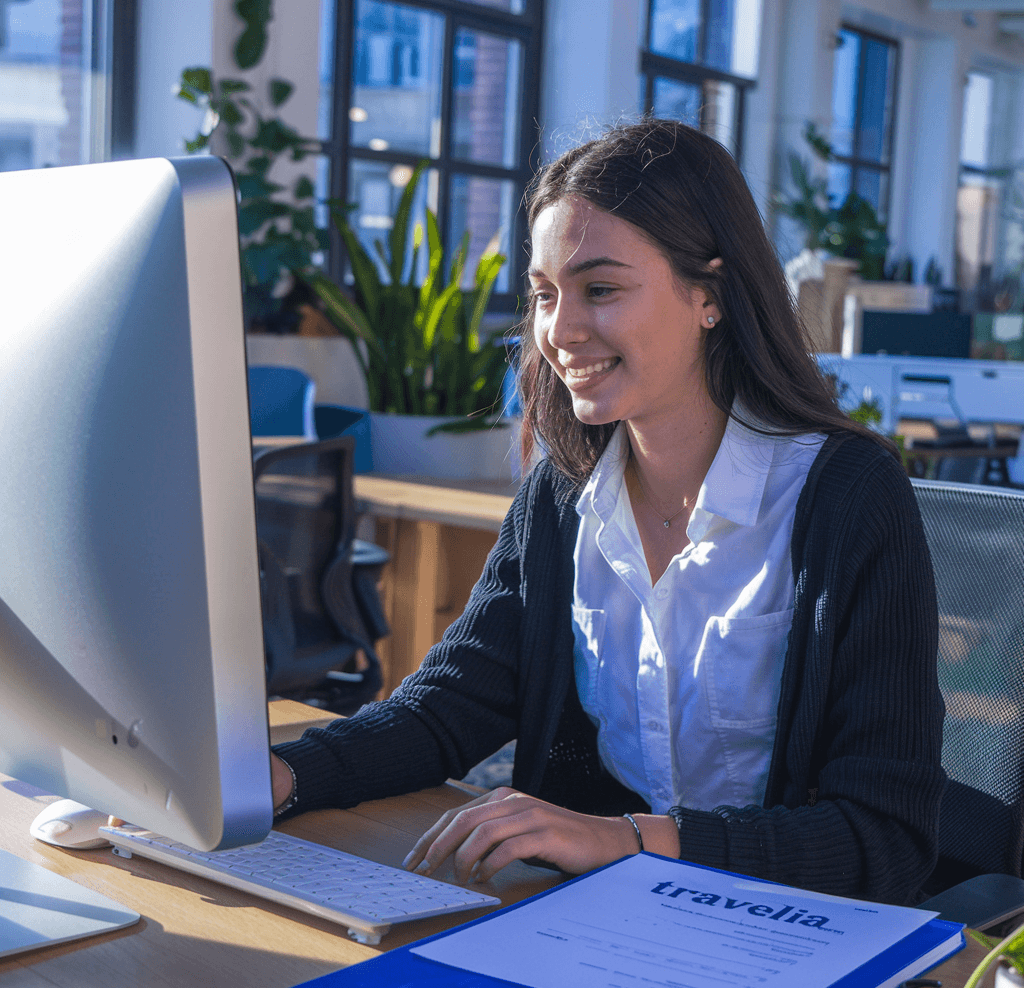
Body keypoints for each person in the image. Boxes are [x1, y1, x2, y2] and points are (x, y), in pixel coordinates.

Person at [270, 119, 944, 905]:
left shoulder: (846, 499)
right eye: (545, 295)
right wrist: (283, 774)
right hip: (601, 920)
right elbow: (450, 708)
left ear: (710, 296)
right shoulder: (564, 491)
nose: (558, 331)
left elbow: (884, 838)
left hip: (779, 933)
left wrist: (623, 842)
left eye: (601, 289)